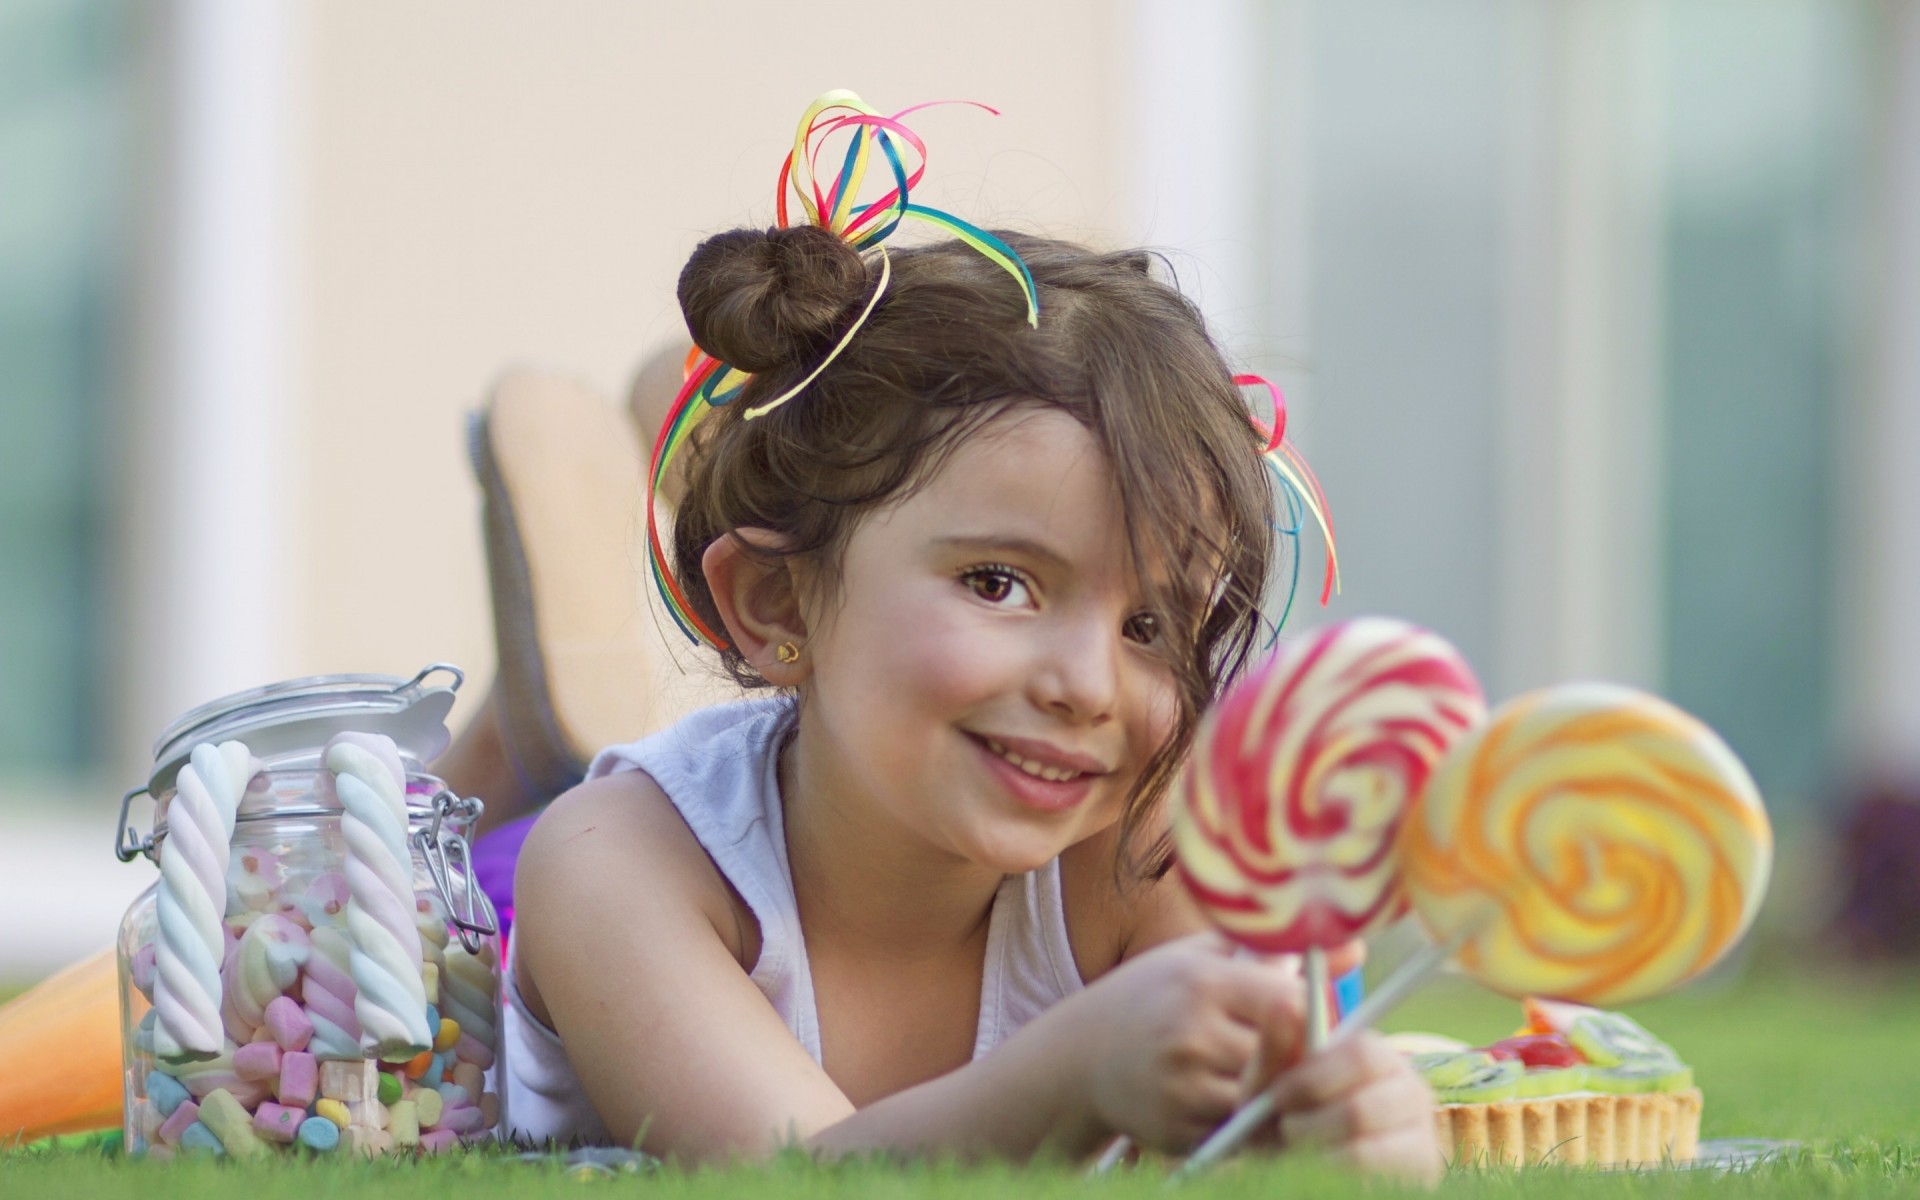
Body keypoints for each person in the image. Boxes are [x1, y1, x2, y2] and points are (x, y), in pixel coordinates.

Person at [493, 97, 1442, 1178]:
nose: (1089, 686)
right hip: (501, 883)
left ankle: (700, 444)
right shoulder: (616, 868)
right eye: (999, 582)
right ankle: (513, 735)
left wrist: (1348, 1131)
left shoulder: (1140, 857)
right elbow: (799, 1176)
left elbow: (1240, 1151)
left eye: (1151, 624)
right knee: (491, 823)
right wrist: (1079, 1068)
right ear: (775, 605)